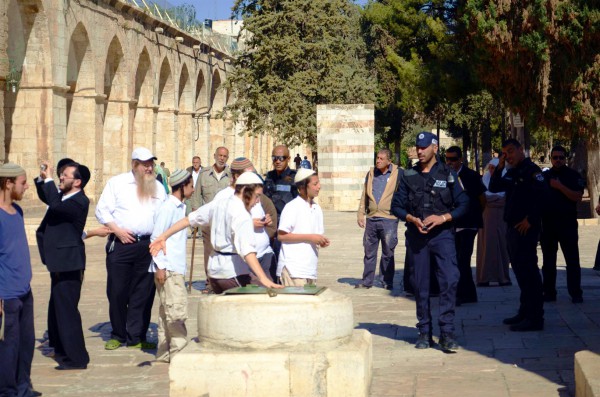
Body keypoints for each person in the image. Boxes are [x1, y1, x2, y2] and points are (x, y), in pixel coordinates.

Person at [391, 132, 468, 351]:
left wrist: (443, 217)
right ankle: (424, 331)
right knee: (420, 285)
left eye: (424, 147)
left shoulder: (449, 174)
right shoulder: (407, 175)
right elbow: (396, 206)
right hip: (418, 237)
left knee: (450, 280)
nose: (419, 151)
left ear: (435, 148)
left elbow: (464, 204)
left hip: (442, 236)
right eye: (417, 147)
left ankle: (447, 333)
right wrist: (411, 218)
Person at [149, 172, 281, 293]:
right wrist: (264, 279)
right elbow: (248, 252)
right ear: (246, 191)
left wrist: (164, 236)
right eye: (257, 196)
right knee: (263, 297)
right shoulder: (242, 215)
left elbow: (188, 220)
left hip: (214, 273)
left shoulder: (219, 204)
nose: (258, 201)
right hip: (232, 273)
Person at [96, 147, 167, 350]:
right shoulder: (117, 183)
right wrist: (117, 231)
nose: (149, 167)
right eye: (145, 164)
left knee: (143, 293)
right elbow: (102, 210)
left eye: (151, 163)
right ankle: (118, 334)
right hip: (121, 245)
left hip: (147, 245)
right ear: (134, 164)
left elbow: (163, 214)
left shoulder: (158, 188)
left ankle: (137, 335)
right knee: (117, 291)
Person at [35, 160, 91, 371]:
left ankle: (76, 358)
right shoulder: (65, 197)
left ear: (77, 182)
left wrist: (49, 180)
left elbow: (55, 206)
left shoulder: (79, 201)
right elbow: (47, 197)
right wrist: (43, 179)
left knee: (67, 310)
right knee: (57, 307)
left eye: (65, 175)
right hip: (60, 261)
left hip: (69, 262)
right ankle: (60, 348)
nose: (61, 177)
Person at [489, 138, 547, 332]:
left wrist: (531, 219)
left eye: (511, 151)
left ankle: (535, 317)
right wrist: (499, 167)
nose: (509, 156)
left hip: (526, 229)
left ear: (521, 150)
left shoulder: (532, 171)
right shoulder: (513, 172)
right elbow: (494, 187)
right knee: (521, 272)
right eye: (505, 153)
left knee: (529, 272)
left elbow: (543, 197)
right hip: (513, 227)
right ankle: (525, 311)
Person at [0, 163, 40, 396]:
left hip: (25, 290)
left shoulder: (18, 211)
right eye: (23, 183)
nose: (26, 187)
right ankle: (7, 391)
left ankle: (23, 387)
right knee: (8, 348)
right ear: (8, 183)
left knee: (26, 345)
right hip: (7, 295)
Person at [149, 169, 194, 363]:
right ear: (182, 187)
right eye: (191, 185)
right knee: (176, 311)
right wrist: (160, 266)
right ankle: (178, 352)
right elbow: (156, 237)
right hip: (169, 268)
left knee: (167, 310)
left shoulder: (180, 208)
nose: (193, 189)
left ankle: (165, 351)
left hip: (174, 267)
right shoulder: (168, 208)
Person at [540, 146, 584, 303]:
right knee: (548, 262)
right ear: (551, 159)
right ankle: (549, 292)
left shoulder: (573, 175)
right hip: (548, 225)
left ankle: (576, 293)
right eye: (555, 157)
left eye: (561, 157)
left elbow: (577, 196)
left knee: (572, 260)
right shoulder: (544, 177)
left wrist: (560, 187)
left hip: (567, 224)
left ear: (565, 159)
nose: (558, 160)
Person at [445, 146, 486, 305]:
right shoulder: (444, 176)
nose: (450, 162)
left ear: (460, 159)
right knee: (456, 259)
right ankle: (468, 294)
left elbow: (483, 199)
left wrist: (474, 215)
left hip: (468, 224)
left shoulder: (471, 176)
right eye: (447, 159)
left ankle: (462, 294)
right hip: (453, 224)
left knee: (463, 260)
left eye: (453, 159)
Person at [355, 149, 401, 290]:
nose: (378, 161)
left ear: (389, 161)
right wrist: (360, 213)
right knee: (369, 252)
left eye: (381, 159)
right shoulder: (371, 174)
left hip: (389, 219)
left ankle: (387, 281)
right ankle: (367, 281)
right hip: (372, 219)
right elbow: (365, 195)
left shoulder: (398, 174)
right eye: (377, 158)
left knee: (388, 252)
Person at [277, 168, 330, 286]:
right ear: (302, 187)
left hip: (310, 270)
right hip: (293, 270)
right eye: (315, 184)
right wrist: (310, 237)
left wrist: (321, 241)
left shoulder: (317, 208)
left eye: (319, 183)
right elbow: (281, 235)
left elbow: (316, 235)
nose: (319, 187)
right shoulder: (292, 207)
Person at [197, 147, 231, 292]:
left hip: (226, 223)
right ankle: (210, 282)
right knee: (208, 252)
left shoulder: (231, 175)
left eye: (225, 156)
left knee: (224, 252)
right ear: (214, 156)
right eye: (220, 155)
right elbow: (197, 196)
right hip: (209, 222)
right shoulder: (204, 174)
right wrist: (196, 215)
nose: (222, 158)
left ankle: (224, 281)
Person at [476, 158, 511, 286]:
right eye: (490, 167)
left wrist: (490, 199)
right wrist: (494, 199)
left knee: (502, 245)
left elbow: (504, 196)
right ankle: (484, 277)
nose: (491, 170)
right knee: (486, 246)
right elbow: (482, 196)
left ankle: (503, 277)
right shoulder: (484, 179)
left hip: (502, 218)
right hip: (486, 218)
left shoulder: (505, 180)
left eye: (494, 168)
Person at [264, 145, 298, 218]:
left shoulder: (295, 177)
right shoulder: (269, 176)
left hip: (288, 220)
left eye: (281, 158)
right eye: (274, 158)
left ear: (288, 159)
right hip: (271, 220)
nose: (277, 161)